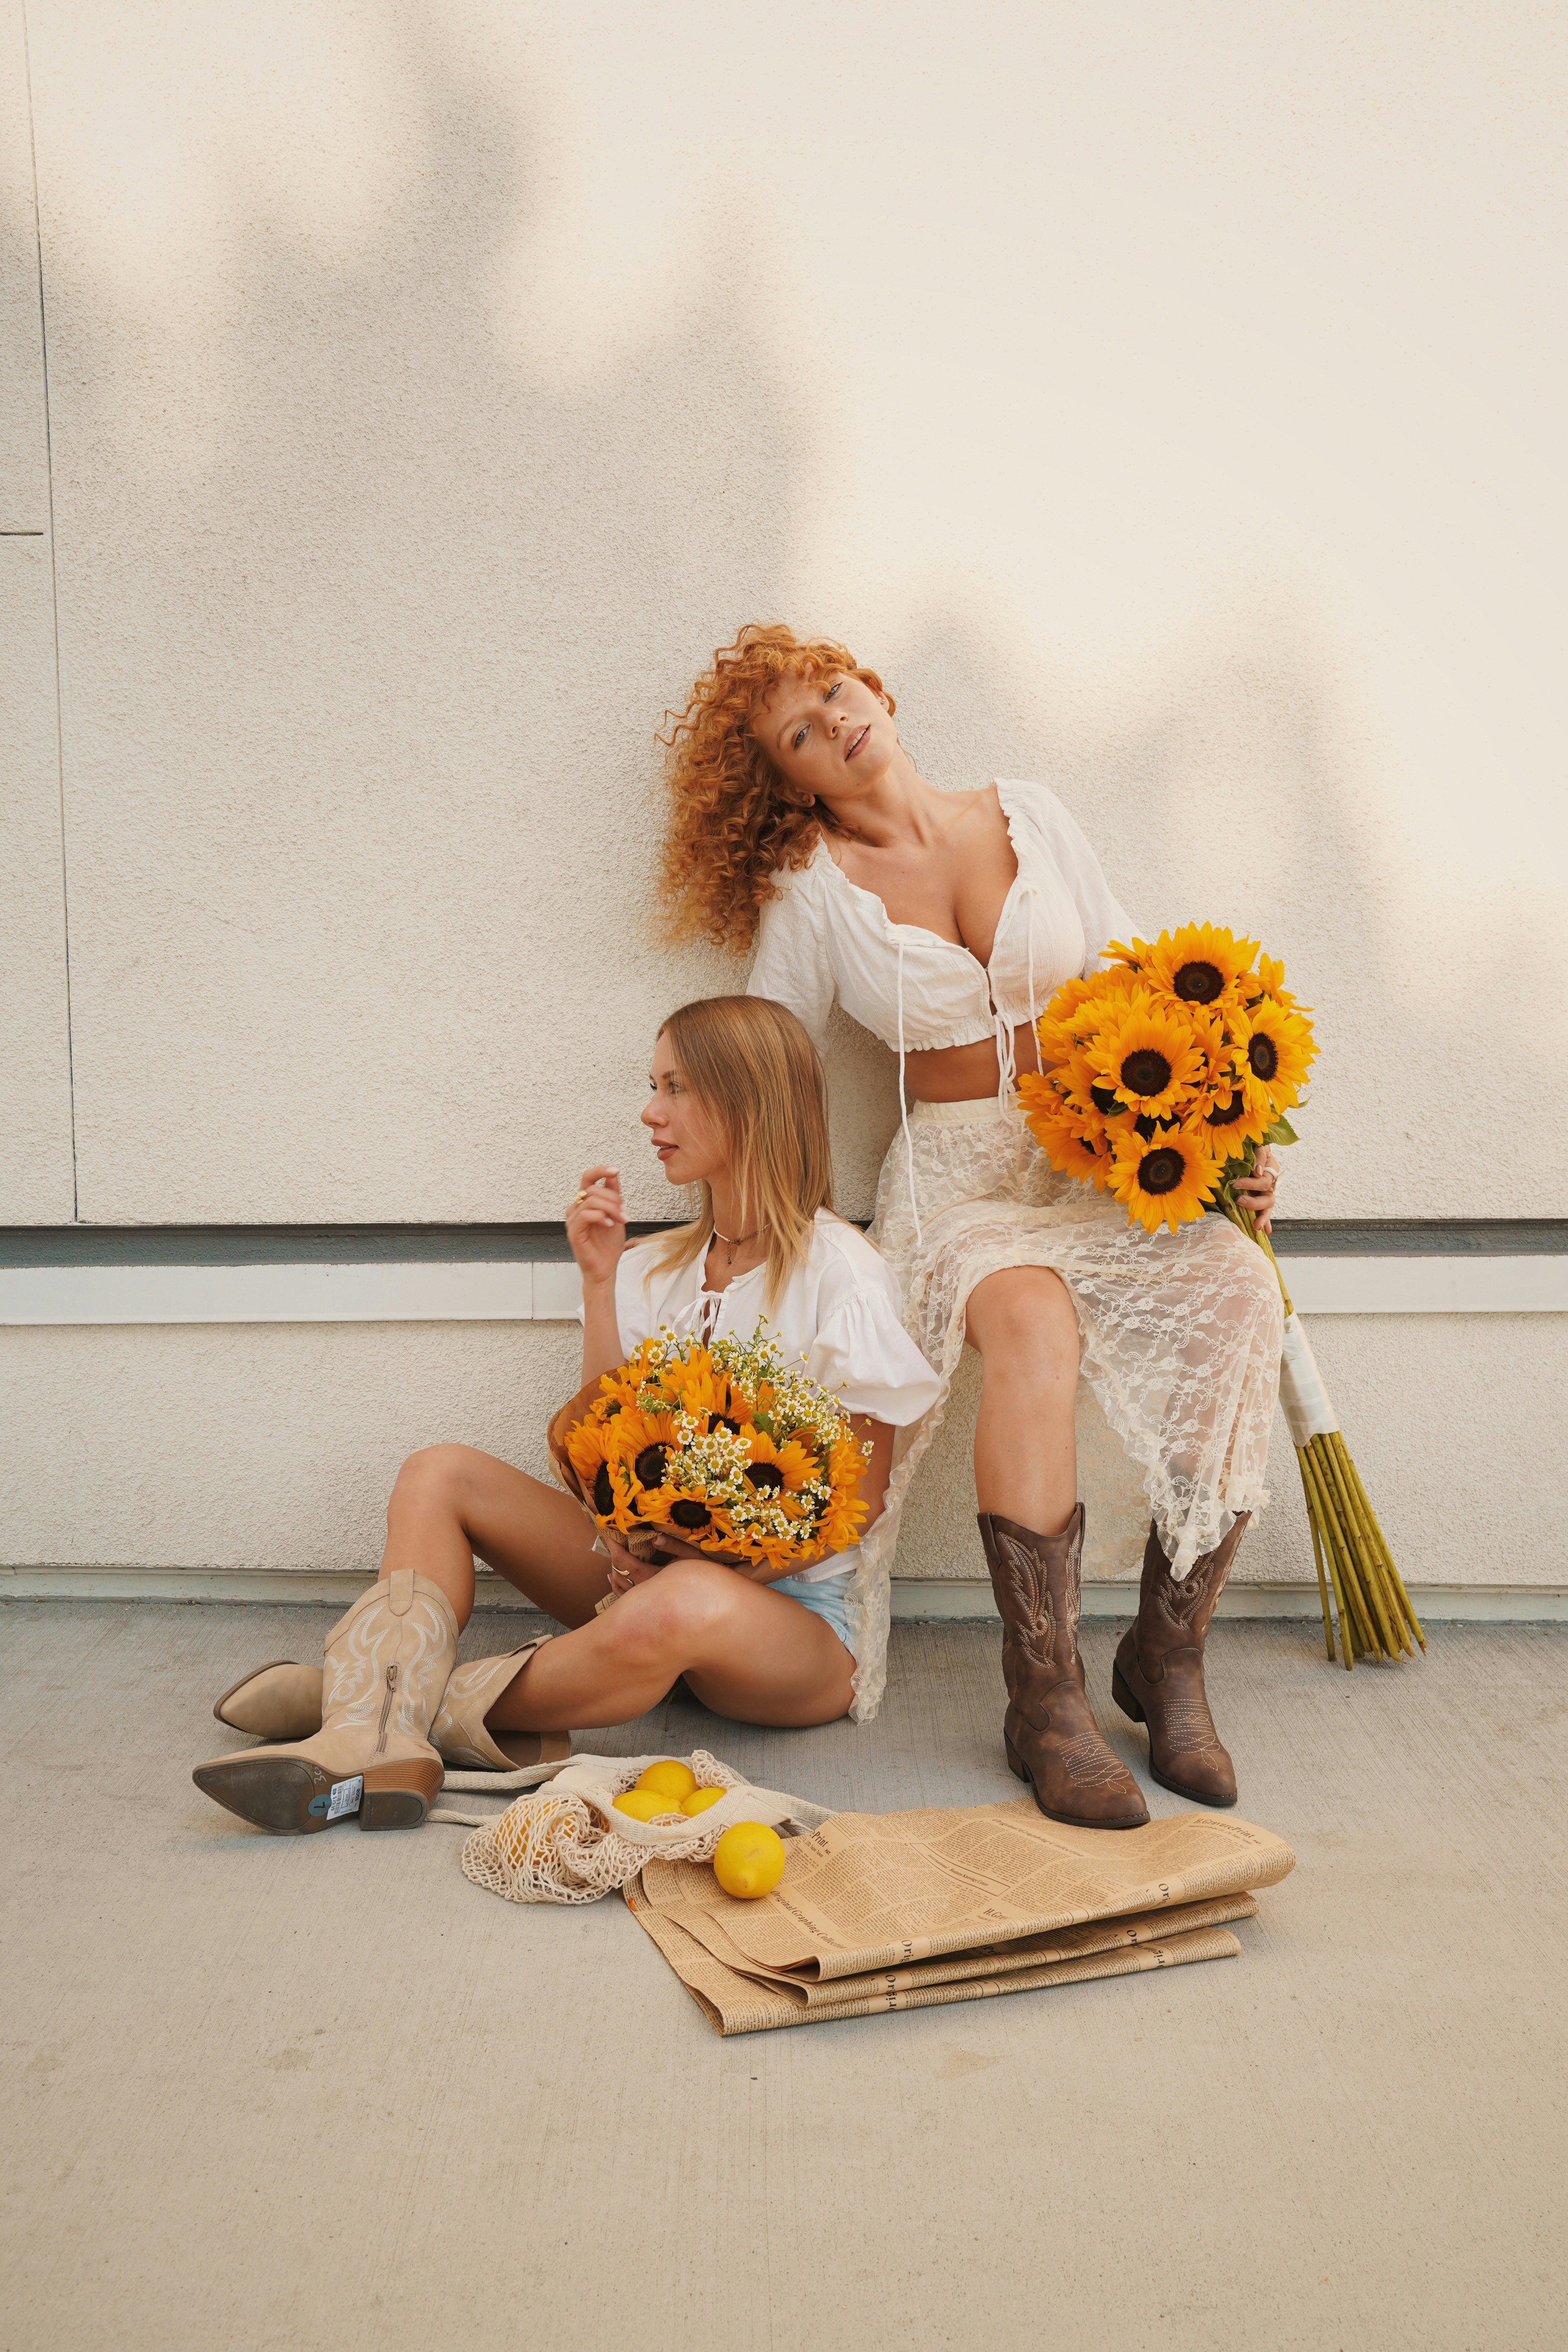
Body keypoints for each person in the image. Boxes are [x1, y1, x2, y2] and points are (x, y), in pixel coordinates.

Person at [657, 625, 1286, 1826]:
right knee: (1032, 1323)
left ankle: (1168, 1660)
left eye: (836, 691)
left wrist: (1227, 1149)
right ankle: (1044, 1702)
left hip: (1101, 1157)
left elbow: (1148, 986)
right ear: (788, 781)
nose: (835, 719)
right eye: (800, 731)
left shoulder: (1033, 816)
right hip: (954, 1187)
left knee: (1237, 1293)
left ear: (876, 691)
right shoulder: (813, 897)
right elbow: (765, 1070)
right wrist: (736, 1217)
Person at [193, 995, 940, 1834]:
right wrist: (598, 1281)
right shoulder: (660, 1268)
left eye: (676, 1088)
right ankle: (381, 1724)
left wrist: (702, 1575)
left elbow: (858, 1508)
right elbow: (605, 1453)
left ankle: (362, 1705)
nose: (649, 1113)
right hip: (642, 1586)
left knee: (685, 1597)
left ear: (747, 1102)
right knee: (438, 1473)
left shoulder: (843, 1275)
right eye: (652, 1085)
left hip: (791, 1629)